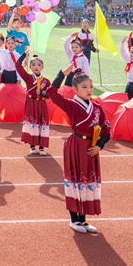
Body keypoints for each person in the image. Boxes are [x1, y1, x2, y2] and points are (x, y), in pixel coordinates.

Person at [47, 65, 111, 233]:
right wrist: (62, 74)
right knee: (76, 181)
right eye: (84, 87)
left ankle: (84, 220)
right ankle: (74, 219)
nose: (89, 90)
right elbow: (52, 93)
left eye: (90, 86)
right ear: (75, 90)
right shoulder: (71, 105)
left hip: (91, 149)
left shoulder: (97, 108)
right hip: (76, 146)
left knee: (88, 181)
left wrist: (99, 145)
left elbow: (105, 128)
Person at [15, 53, 51, 156]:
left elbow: (50, 95)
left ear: (42, 67)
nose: (36, 67)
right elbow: (18, 65)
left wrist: (43, 93)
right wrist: (24, 55)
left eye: (39, 65)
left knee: (41, 123)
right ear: (30, 67)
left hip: (42, 104)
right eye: (33, 65)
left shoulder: (46, 81)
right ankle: (32, 146)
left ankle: (42, 147)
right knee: (32, 123)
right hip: (31, 103)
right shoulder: (28, 77)